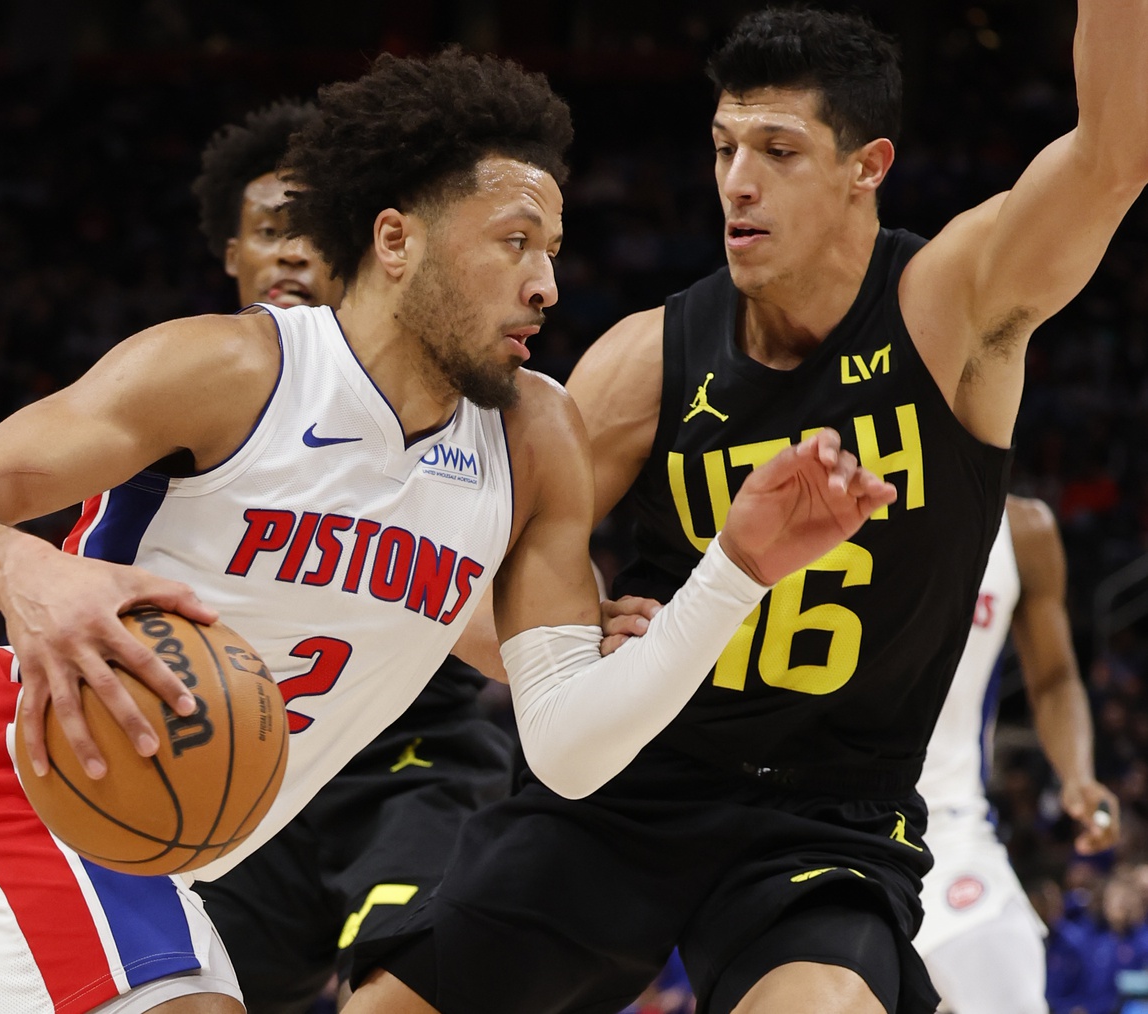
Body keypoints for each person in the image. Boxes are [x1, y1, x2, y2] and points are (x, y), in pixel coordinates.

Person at [0, 48, 894, 1014]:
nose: (545, 283)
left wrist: (736, 571)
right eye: (514, 241)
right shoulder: (230, 372)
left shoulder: (534, 435)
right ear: (395, 240)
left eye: (554, 249)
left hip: (153, 850)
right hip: (17, 801)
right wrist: (27, 575)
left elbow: (566, 749)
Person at [351, 7, 1146, 1014]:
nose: (736, 180)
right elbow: (454, 574)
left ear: (868, 166)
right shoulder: (647, 362)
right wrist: (556, 648)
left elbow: (1114, 156)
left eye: (777, 150)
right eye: (725, 147)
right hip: (625, 793)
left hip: (826, 818)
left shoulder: (951, 307)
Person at [188, 100, 517, 1014]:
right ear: (230, 254)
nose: (290, 253)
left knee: (416, 984)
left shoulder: (459, 393)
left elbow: (518, 631)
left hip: (407, 759)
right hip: (227, 767)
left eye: (310, 232)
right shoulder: (186, 387)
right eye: (267, 231)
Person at [914, 495, 1119, 1014]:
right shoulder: (827, 502)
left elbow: (1053, 678)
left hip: (947, 826)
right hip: (822, 825)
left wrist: (1077, 774)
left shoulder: (1023, 531)